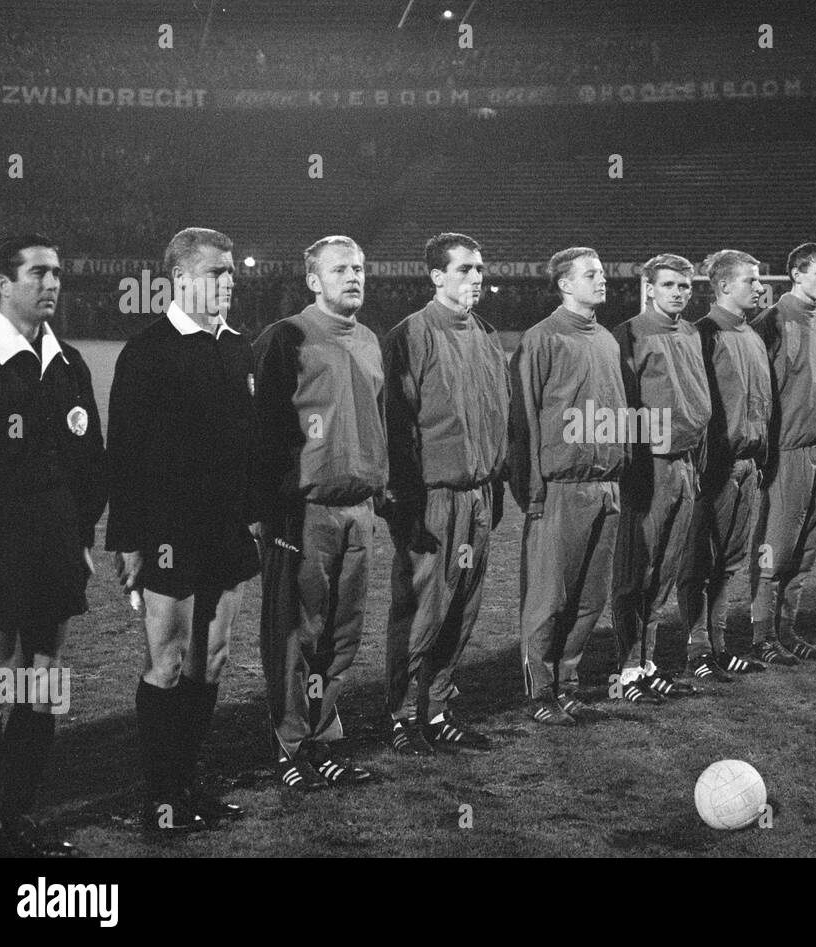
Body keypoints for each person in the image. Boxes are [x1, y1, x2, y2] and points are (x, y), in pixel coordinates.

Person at [106, 227, 258, 834]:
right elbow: (126, 455)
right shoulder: (146, 351)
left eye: (231, 274)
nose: (229, 283)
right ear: (179, 277)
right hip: (169, 528)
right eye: (218, 272)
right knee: (167, 660)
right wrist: (129, 542)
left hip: (225, 528)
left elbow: (247, 445)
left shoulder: (237, 347)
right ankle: (162, 799)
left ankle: (191, 783)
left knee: (212, 659)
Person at [0, 233, 105, 857]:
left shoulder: (69, 362)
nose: (53, 283)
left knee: (43, 684)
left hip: (53, 545)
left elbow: (89, 463)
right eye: (40, 273)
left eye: (58, 273)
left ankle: (16, 818)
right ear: (3, 283)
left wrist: (80, 535)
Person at [252, 235, 387, 789]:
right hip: (303, 513)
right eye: (339, 270)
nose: (353, 277)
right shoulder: (286, 337)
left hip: (360, 509)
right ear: (313, 280)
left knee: (342, 634)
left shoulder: (372, 340)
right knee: (296, 634)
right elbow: (261, 433)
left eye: (358, 268)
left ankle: (324, 735)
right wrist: (270, 514)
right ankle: (288, 743)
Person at [382, 233, 509, 754]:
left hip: (478, 497)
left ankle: (436, 710)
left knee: (462, 611)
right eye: (464, 269)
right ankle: (399, 717)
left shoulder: (486, 333)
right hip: (433, 498)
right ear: (437, 276)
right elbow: (398, 425)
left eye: (480, 269)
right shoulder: (411, 334)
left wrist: (495, 485)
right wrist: (406, 505)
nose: (476, 278)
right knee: (420, 612)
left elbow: (499, 416)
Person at [509, 247, 626, 725]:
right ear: (564, 283)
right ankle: (540, 692)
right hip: (560, 488)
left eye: (601, 273)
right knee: (549, 599)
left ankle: (568, 683)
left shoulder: (608, 341)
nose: (602, 281)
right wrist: (533, 493)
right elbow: (525, 425)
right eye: (591, 275)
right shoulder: (541, 339)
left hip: (607, 487)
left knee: (589, 599)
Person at [610, 254, 713, 703]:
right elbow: (623, 405)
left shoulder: (690, 333)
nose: (678, 293)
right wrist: (632, 471)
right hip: (650, 465)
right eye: (669, 285)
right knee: (638, 570)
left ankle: (649, 664)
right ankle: (628, 671)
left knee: (666, 571)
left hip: (686, 463)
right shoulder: (630, 333)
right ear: (649, 288)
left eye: (685, 287)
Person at [677, 250, 771, 679]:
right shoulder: (702, 334)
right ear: (725, 287)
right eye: (751, 281)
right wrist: (705, 467)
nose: (760, 287)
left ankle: (718, 645)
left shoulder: (752, 336)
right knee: (698, 563)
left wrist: (761, 459)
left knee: (729, 563)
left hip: (750, 465)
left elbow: (762, 406)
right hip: (716, 469)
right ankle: (696, 649)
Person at [748, 242, 816, 666]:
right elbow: (759, 395)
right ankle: (761, 634)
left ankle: (787, 631)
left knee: (807, 550)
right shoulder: (771, 322)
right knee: (776, 547)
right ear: (797, 274)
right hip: (786, 452)